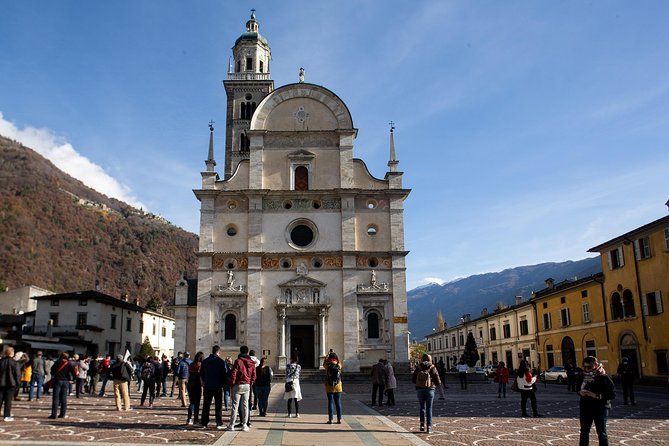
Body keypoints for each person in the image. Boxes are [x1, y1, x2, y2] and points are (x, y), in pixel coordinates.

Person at [578, 356, 616, 446]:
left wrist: (595, 395)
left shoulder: (604, 377)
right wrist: (580, 392)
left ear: (596, 365)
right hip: (585, 407)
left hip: (600, 408)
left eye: (589, 367)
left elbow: (612, 394)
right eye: (585, 367)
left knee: (601, 432)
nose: (587, 369)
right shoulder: (583, 376)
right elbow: (577, 388)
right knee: (584, 431)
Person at [225, 346, 256, 431]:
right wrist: (251, 383)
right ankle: (245, 424)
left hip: (238, 384)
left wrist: (232, 384)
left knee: (235, 406)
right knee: (245, 405)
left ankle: (231, 425)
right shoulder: (252, 362)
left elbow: (234, 373)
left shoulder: (238, 361)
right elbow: (254, 375)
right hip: (247, 385)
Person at [200, 345, 228, 428]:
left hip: (208, 386)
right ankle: (219, 422)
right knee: (218, 405)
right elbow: (224, 374)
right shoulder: (221, 362)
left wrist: (204, 383)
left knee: (206, 405)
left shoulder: (205, 361)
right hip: (218, 386)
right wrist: (224, 384)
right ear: (218, 352)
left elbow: (201, 374)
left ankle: (204, 422)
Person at [412, 353, 441, 434]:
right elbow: (438, 380)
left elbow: (413, 380)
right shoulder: (432, 367)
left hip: (419, 389)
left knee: (422, 407)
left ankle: (421, 425)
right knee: (429, 408)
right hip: (430, 389)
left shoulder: (418, 367)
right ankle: (429, 427)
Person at [49, 351, 75, 419]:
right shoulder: (69, 364)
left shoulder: (57, 362)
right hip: (65, 381)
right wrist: (72, 379)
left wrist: (55, 375)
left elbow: (52, 370)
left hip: (57, 380)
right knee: (63, 398)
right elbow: (74, 372)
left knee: (56, 398)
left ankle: (54, 414)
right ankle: (62, 414)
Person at [0, 346, 20, 421]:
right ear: (12, 353)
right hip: (11, 384)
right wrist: (18, 384)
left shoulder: (1, 361)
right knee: (8, 401)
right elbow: (17, 374)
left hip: (1, 383)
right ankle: (7, 415)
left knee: (0, 399)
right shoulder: (15, 363)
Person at [324, 352, 343, 424]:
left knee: (330, 402)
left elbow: (324, 363)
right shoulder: (338, 365)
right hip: (338, 386)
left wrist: (327, 356)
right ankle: (339, 419)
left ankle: (331, 419)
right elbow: (340, 363)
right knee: (338, 402)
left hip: (329, 386)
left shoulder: (327, 365)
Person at [185, 352, 203, 425]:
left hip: (190, 384)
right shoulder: (200, 365)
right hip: (197, 384)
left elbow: (189, 374)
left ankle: (189, 418)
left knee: (191, 402)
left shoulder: (191, 364)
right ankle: (196, 419)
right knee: (197, 403)